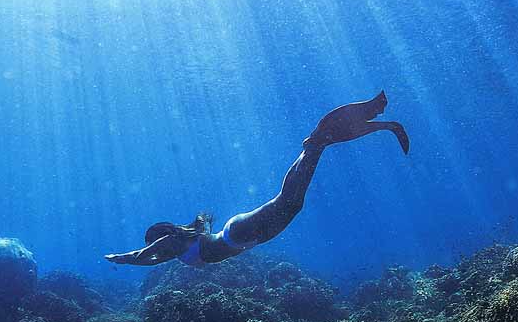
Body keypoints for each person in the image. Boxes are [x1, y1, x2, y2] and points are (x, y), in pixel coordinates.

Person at [104, 91, 409, 267]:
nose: (155, 251)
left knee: (287, 200)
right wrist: (134, 259)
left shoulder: (172, 242)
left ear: (160, 236)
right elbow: (152, 258)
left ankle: (316, 144)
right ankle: (317, 145)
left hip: (239, 233)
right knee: (292, 203)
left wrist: (121, 258)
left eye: (153, 242)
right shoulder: (176, 248)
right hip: (246, 236)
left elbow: (145, 255)